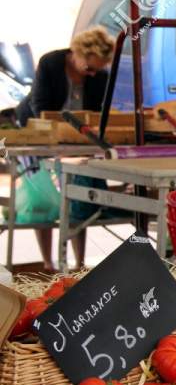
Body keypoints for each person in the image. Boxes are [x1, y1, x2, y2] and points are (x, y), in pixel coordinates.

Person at [14, 27, 116, 272]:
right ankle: (49, 263)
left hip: (76, 138)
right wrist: (55, 142)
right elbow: (40, 106)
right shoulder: (50, 63)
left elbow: (96, 112)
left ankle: (79, 264)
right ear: (78, 53)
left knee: (76, 194)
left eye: (97, 70)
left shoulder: (99, 76)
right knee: (43, 196)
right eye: (89, 68)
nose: (92, 74)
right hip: (38, 131)